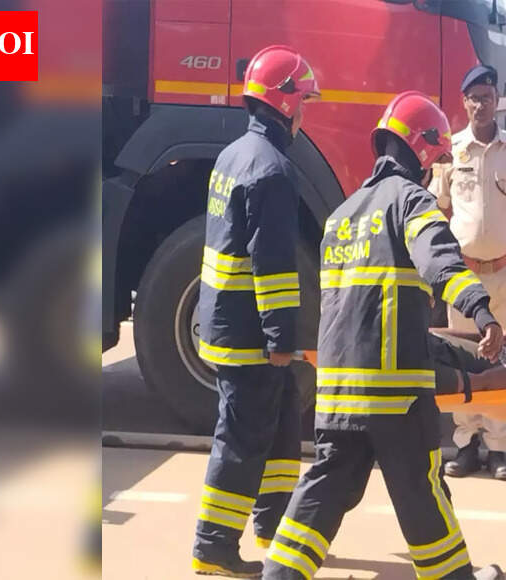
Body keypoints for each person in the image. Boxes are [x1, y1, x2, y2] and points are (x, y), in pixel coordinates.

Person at [262, 91, 504, 580]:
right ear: (426, 153)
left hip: (338, 394)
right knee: (421, 493)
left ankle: (278, 576)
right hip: (396, 395)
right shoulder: (412, 202)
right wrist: (482, 312)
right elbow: (441, 262)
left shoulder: (341, 217)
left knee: (325, 489)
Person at [191, 45, 320, 578]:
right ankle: (213, 546)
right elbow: (272, 268)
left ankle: (273, 523)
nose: (306, 108)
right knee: (241, 437)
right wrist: (281, 339)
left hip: (223, 319)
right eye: (304, 99)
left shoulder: (233, 155)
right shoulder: (273, 171)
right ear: (285, 101)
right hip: (248, 332)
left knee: (282, 419)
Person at [430, 64, 506, 481]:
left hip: (505, 273)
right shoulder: (451, 151)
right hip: (463, 277)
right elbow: (438, 213)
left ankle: (498, 449)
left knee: (504, 356)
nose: (480, 104)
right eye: (473, 98)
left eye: (487, 98)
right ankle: (465, 446)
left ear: (497, 103)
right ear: (464, 102)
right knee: (465, 358)